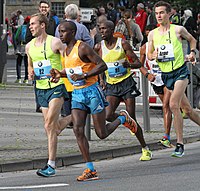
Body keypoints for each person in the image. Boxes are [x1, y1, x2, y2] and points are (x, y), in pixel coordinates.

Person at [50, 20, 137, 181]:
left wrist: (85, 76)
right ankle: (90, 169)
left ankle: (123, 118)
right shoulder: (64, 51)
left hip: (92, 92)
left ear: (72, 32)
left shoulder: (82, 47)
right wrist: (59, 74)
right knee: (77, 129)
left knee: (101, 133)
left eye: (63, 31)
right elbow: (72, 70)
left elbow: (102, 65)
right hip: (77, 94)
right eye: (59, 31)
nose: (60, 34)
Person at [147, 1, 200, 158]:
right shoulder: (152, 34)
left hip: (180, 72)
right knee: (188, 110)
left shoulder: (178, 30)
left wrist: (192, 53)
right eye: (157, 13)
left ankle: (179, 144)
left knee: (173, 105)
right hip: (166, 75)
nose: (159, 16)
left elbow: (193, 40)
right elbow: (149, 54)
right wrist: (153, 55)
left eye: (162, 13)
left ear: (169, 14)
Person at [95, 20, 152, 160]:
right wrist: (101, 80)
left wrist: (129, 64)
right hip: (112, 85)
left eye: (104, 29)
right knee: (108, 115)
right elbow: (98, 66)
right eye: (100, 29)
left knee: (132, 118)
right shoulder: (99, 47)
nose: (101, 31)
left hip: (126, 83)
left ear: (112, 29)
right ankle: (123, 119)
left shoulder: (123, 44)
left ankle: (145, 148)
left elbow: (138, 63)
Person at [25, 13, 72, 177]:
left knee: (48, 126)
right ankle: (76, 116)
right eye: (30, 25)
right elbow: (30, 65)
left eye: (33, 24)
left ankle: (51, 165)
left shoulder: (55, 42)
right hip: (40, 88)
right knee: (53, 127)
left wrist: (61, 72)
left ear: (43, 25)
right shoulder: (29, 46)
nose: (30, 27)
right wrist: (31, 72)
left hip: (56, 87)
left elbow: (70, 59)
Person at [140, 24, 172, 148]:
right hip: (155, 81)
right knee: (168, 107)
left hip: (168, 79)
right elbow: (140, 65)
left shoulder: (165, 46)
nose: (150, 37)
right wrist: (147, 74)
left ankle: (166, 136)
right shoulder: (144, 48)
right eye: (148, 35)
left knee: (166, 105)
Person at [25, 0, 57, 113]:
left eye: (46, 7)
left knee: (51, 76)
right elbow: (28, 37)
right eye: (42, 7)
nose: (44, 9)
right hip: (38, 54)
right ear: (39, 8)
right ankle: (40, 103)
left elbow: (56, 34)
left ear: (48, 9)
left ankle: (52, 101)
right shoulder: (34, 21)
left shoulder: (53, 20)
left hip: (50, 53)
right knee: (38, 79)